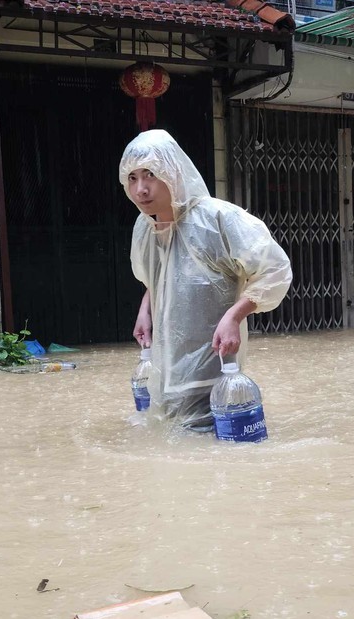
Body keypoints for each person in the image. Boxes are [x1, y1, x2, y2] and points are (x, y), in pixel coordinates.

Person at [120, 130, 292, 431]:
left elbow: (275, 269)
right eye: (132, 178)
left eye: (150, 174)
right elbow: (159, 277)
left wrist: (234, 316)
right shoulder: (145, 229)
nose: (141, 189)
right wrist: (144, 309)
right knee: (169, 446)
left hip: (213, 370)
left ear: (172, 172)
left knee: (208, 444)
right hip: (166, 371)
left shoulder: (217, 219)